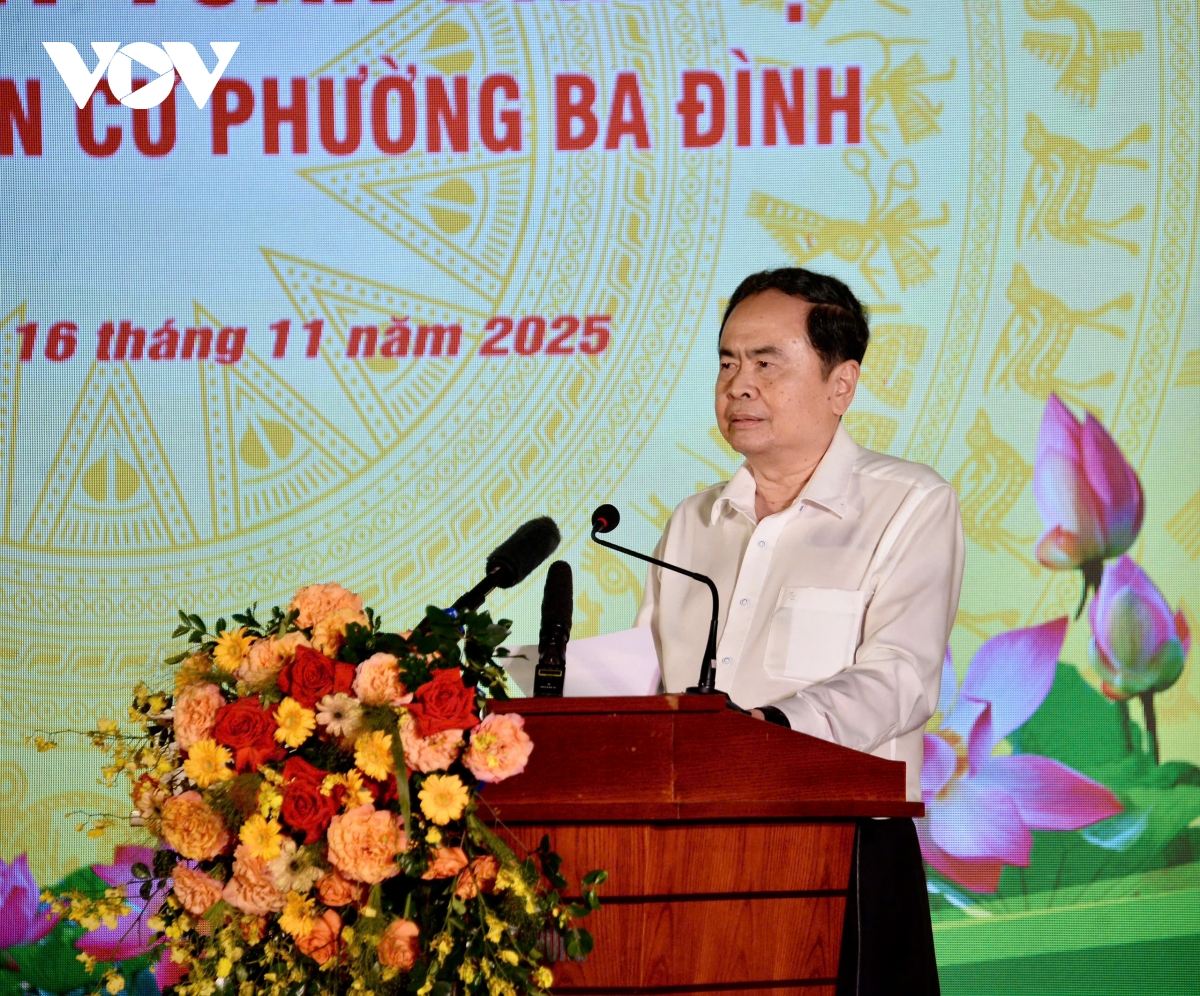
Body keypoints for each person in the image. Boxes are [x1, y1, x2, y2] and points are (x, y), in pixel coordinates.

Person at [635, 267, 964, 996]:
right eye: (727, 363)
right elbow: (646, 677)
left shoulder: (909, 503)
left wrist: (771, 732)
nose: (738, 387)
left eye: (766, 363)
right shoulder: (695, 520)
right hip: (686, 849)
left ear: (841, 384)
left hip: (842, 849)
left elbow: (902, 677)